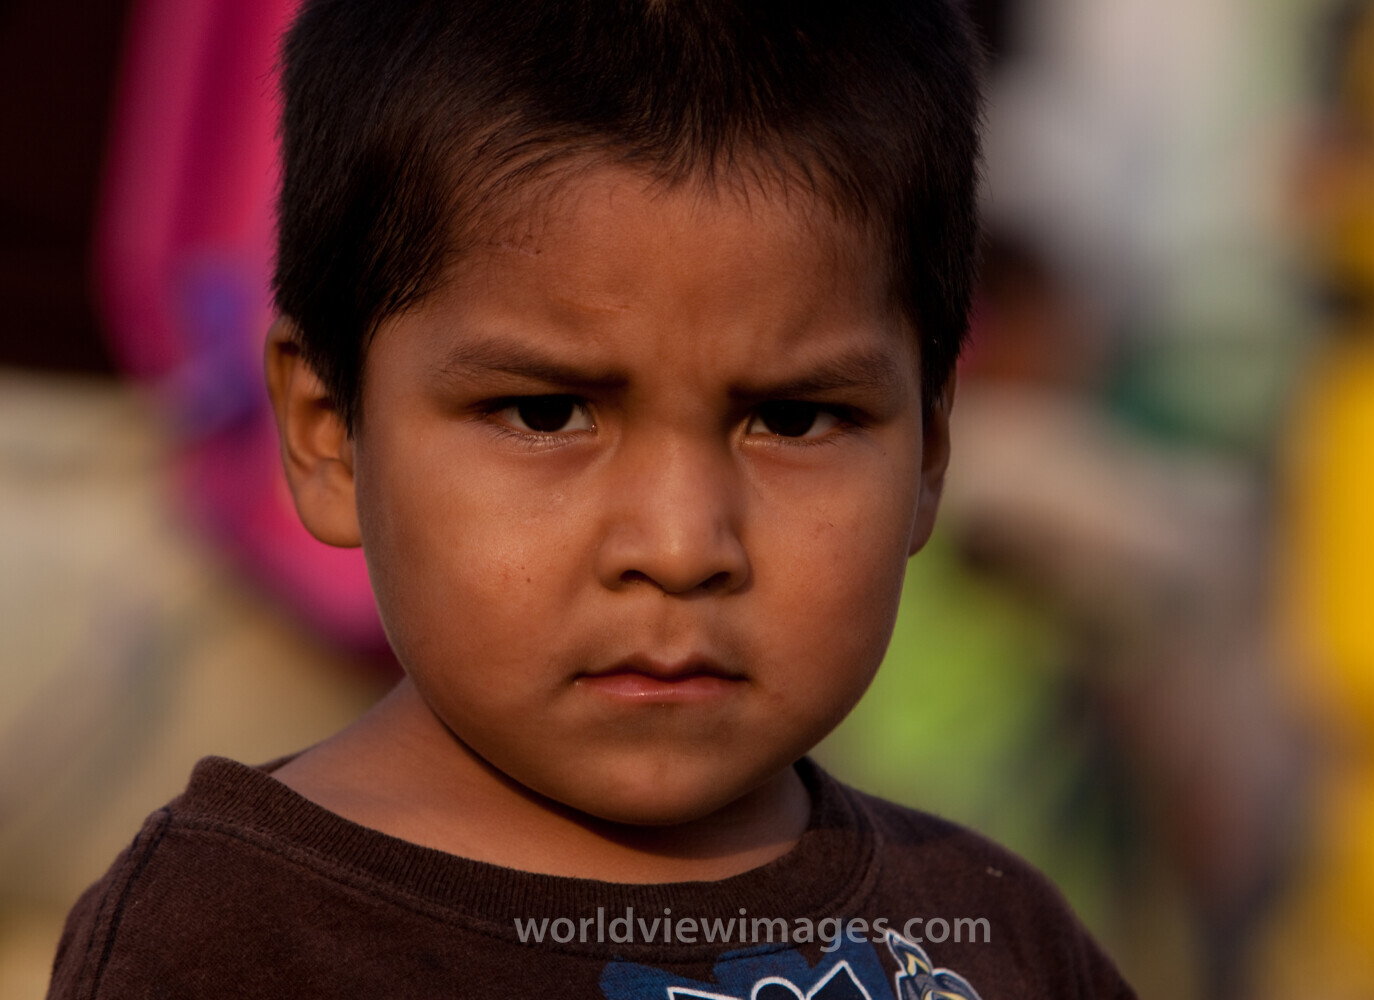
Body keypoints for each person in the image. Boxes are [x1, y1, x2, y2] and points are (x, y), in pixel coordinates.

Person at [48, 1, 1135, 996]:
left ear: (932, 451)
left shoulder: (994, 935)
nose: (678, 543)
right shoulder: (224, 942)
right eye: (545, 414)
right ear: (329, 434)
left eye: (796, 420)